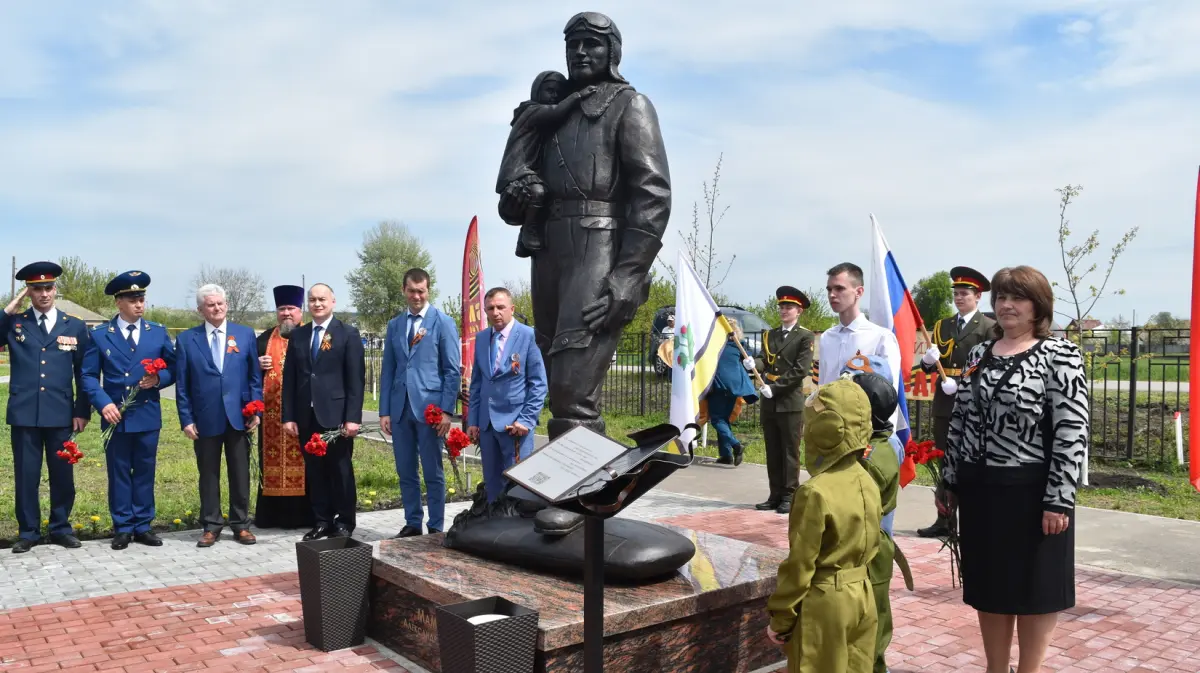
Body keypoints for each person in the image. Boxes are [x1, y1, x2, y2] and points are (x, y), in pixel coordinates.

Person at [497, 11, 671, 440]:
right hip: (549, 251)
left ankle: (579, 496)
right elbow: (511, 203)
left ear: (611, 51)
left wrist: (629, 275)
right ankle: (569, 489)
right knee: (553, 374)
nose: (579, 52)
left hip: (599, 248)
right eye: (572, 44)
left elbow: (653, 195)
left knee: (573, 384)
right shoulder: (550, 114)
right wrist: (518, 198)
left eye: (591, 43)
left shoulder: (629, 105)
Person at [940, 266, 1088, 673]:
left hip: (1035, 496)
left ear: (1038, 306)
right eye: (1001, 297)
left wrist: (1060, 498)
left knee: (1035, 589)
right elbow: (961, 422)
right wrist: (949, 481)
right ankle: (995, 667)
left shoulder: (1059, 355)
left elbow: (1072, 431)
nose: (1006, 305)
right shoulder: (978, 355)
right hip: (982, 493)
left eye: (1017, 298)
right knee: (990, 588)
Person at [766, 377, 881, 673]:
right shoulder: (868, 481)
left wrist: (781, 618)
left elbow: (800, 565)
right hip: (862, 595)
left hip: (825, 602)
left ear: (826, 430)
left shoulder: (814, 491)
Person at [81, 270, 177, 550]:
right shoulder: (100, 335)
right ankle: (123, 526)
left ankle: (143, 525)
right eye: (132, 299)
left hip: (146, 415)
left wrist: (159, 379)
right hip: (116, 417)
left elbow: (174, 369)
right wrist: (103, 403)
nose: (139, 304)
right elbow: (87, 376)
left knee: (145, 471)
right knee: (119, 471)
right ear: (118, 302)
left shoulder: (157, 333)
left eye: (142, 298)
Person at [1, 262, 92, 553]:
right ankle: (28, 531)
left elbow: (84, 373)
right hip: (25, 413)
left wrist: (82, 410)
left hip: (61, 413)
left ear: (55, 289)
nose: (43, 293)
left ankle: (61, 528)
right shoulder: (17, 323)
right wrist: (11, 305)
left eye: (48, 287)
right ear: (30, 292)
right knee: (27, 475)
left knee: (62, 475)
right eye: (36, 289)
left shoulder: (74, 325)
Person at [174, 284, 263, 547]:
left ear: (227, 305)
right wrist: (186, 419)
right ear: (200, 309)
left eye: (220, 303)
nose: (216, 308)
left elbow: (254, 378)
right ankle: (211, 525)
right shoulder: (187, 339)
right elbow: (182, 384)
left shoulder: (245, 335)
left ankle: (241, 524)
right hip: (204, 418)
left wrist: (255, 410)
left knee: (240, 473)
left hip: (239, 418)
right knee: (208, 474)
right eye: (210, 305)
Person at [379, 268, 461, 537]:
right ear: (404, 290)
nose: (416, 296)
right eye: (412, 291)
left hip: (431, 410)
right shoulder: (395, 325)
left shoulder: (443, 322)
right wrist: (385, 411)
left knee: (432, 471)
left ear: (428, 290)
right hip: (400, 409)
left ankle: (435, 526)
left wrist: (447, 410)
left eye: (421, 291)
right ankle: (413, 523)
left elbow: (451, 370)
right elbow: (388, 370)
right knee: (405, 470)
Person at [917, 266, 996, 538]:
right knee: (944, 461)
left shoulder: (988, 327)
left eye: (965, 294)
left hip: (972, 402)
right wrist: (927, 361)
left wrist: (961, 385)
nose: (959, 298)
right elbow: (930, 367)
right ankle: (944, 520)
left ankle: (973, 520)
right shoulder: (943, 326)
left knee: (970, 463)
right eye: (957, 293)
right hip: (944, 404)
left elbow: (989, 366)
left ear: (978, 297)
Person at [281, 283, 365, 541]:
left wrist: (352, 418)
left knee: (340, 471)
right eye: (313, 300)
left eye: (322, 299)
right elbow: (290, 378)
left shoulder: (347, 334)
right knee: (315, 472)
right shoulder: (299, 335)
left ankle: (345, 522)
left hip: (336, 417)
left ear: (333, 302)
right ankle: (322, 521)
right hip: (307, 416)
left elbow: (355, 379)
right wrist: (289, 416)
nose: (317, 304)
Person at [841, 355, 904, 673]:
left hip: (868, 547)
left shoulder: (873, 454)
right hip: (866, 546)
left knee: (872, 619)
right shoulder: (875, 444)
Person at [497, 70, 596, 258]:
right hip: (519, 168)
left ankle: (525, 235)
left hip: (530, 167)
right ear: (537, 91)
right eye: (550, 91)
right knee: (538, 193)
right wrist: (577, 96)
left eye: (559, 93)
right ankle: (528, 231)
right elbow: (556, 112)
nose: (554, 97)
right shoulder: (531, 111)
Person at [466, 287, 548, 502]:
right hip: (486, 425)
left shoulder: (529, 336)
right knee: (492, 483)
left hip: (515, 426)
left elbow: (538, 383)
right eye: (490, 308)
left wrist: (527, 419)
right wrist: (473, 419)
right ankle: (494, 528)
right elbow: (477, 383)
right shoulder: (482, 338)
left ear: (511, 309)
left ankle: (518, 530)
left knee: (519, 485)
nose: (496, 312)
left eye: (501, 307)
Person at [745, 286, 815, 513]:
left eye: (789, 307)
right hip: (769, 402)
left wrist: (775, 388)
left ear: (799, 311)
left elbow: (800, 370)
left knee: (789, 451)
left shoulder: (804, 337)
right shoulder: (770, 335)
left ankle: (789, 495)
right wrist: (755, 364)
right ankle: (775, 494)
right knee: (772, 449)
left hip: (788, 401)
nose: (784, 310)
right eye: (782, 307)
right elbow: (765, 361)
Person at [254, 285, 314, 529]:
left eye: (291, 308)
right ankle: (271, 516)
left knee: (306, 464)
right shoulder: (262, 340)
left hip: (302, 416)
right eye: (282, 309)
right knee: (269, 463)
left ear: (301, 311)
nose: (286, 313)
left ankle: (306, 516)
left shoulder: (312, 336)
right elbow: (246, 376)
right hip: (270, 418)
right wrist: (256, 365)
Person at [819, 263, 901, 415]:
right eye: (829, 289)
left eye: (839, 288)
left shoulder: (881, 337)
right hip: (830, 426)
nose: (832, 294)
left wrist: (883, 436)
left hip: (865, 428)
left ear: (859, 291)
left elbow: (889, 395)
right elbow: (822, 387)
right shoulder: (826, 337)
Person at [703, 318, 757, 466]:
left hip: (720, 386)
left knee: (717, 420)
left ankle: (736, 445)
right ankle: (726, 455)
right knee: (724, 419)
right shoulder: (738, 345)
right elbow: (749, 357)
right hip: (734, 387)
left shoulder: (715, 345)